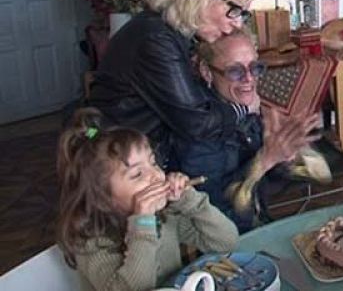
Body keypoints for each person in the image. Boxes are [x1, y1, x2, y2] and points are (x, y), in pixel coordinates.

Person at [90, 0, 263, 183]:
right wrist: (245, 109)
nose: (237, 23)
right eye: (234, 10)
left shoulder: (171, 32)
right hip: (118, 165)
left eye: (243, 14)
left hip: (134, 154)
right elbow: (197, 123)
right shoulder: (157, 39)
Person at [56, 108, 238, 291]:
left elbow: (225, 242)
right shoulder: (91, 240)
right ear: (104, 199)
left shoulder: (165, 215)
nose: (156, 175)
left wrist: (190, 199)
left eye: (153, 163)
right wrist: (142, 224)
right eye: (137, 174)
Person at [195, 30, 319, 231]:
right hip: (223, 244)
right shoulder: (199, 126)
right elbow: (217, 212)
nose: (249, 79)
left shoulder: (246, 111)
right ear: (207, 71)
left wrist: (287, 158)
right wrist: (266, 159)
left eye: (255, 68)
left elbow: (267, 183)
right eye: (235, 71)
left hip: (260, 225)